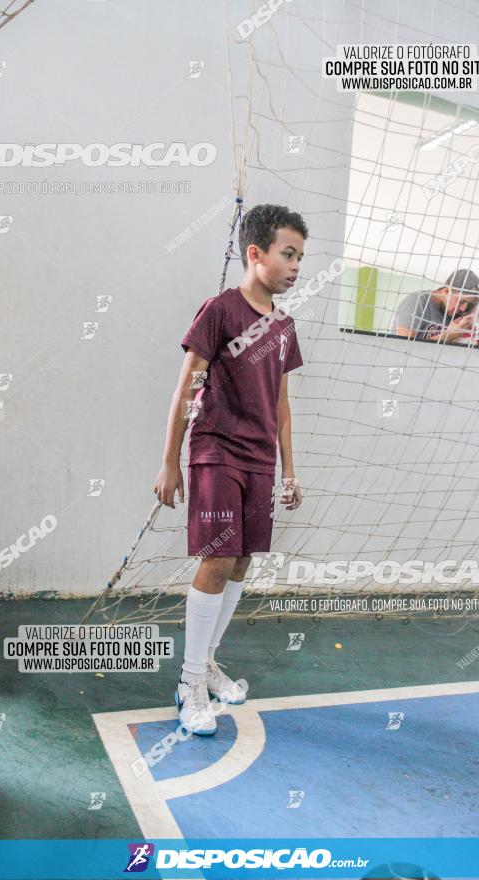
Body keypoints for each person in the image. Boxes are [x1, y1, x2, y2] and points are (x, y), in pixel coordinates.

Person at [153, 204, 306, 735]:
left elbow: (282, 405)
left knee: (241, 563)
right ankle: (189, 682)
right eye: (288, 254)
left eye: (301, 257)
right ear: (255, 254)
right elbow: (185, 387)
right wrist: (169, 461)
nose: (295, 265)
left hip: (261, 459)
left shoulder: (284, 326)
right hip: (216, 449)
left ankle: (209, 662)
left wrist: (290, 470)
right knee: (217, 560)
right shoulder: (219, 310)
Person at [392, 269, 479, 343]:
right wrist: (448, 335)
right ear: (446, 291)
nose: (463, 308)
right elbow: (403, 347)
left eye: (468, 303)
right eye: (461, 302)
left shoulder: (456, 315)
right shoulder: (417, 302)